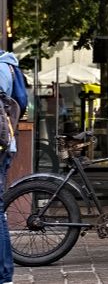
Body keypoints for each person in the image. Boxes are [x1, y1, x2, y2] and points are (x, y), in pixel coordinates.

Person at [0, 51, 24, 284]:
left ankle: (4, 274)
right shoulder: (8, 67)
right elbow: (21, 102)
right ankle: (5, 273)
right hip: (5, 144)